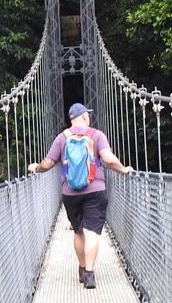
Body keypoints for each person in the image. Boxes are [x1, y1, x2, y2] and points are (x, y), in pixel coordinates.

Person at [28, 102, 133, 288]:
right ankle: (90, 275)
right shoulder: (97, 135)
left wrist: (36, 168)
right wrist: (123, 169)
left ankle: (82, 268)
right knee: (91, 232)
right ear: (84, 117)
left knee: (78, 231)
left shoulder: (62, 138)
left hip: (70, 193)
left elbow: (48, 163)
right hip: (95, 190)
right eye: (88, 115)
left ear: (71, 119)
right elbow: (108, 159)